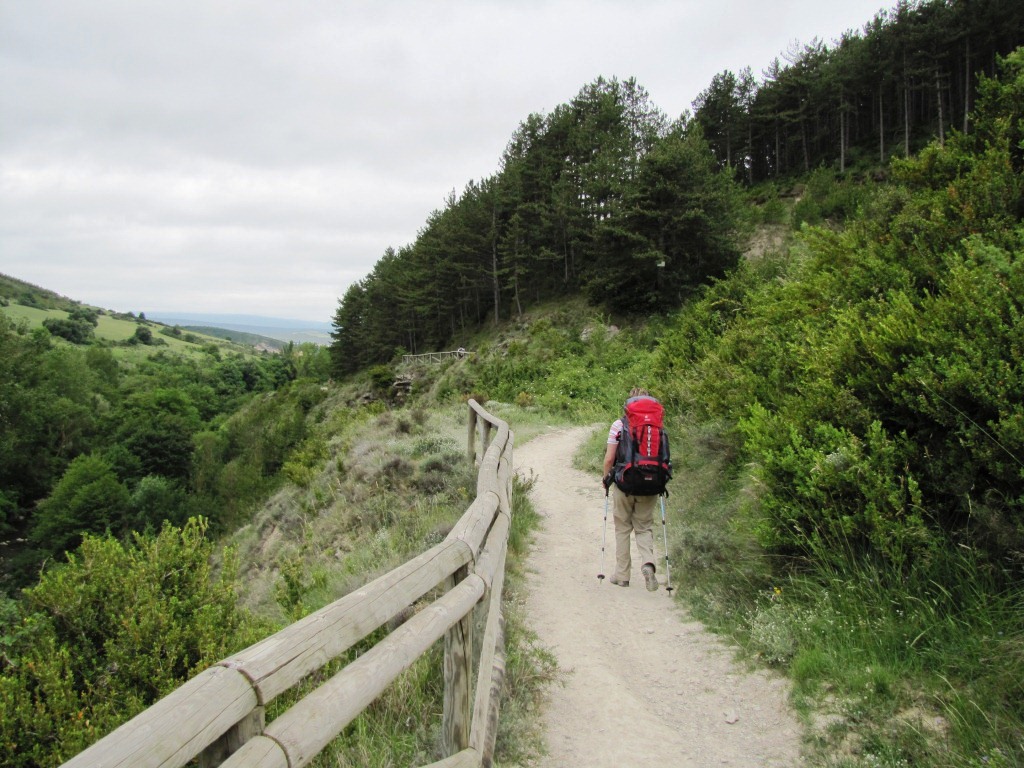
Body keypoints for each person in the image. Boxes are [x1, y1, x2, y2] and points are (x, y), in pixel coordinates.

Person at [602, 387, 659, 591]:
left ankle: (622, 574)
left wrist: (605, 479)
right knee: (644, 527)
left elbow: (610, 458)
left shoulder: (619, 425)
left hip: (625, 483)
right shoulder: (657, 425)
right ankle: (648, 563)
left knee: (623, 527)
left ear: (628, 405)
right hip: (651, 484)